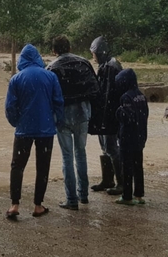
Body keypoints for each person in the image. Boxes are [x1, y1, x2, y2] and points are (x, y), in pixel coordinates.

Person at [5, 44, 64, 219]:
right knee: (42, 167)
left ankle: (14, 204)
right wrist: (55, 122)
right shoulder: (51, 77)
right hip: (45, 131)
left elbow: (10, 107)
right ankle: (38, 205)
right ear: (38, 58)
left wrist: (17, 122)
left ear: (22, 59)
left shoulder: (16, 79)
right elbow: (59, 103)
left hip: (24, 131)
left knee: (18, 166)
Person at [47, 35, 101, 210]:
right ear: (69, 47)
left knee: (67, 157)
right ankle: (83, 195)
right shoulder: (83, 63)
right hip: (83, 114)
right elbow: (95, 89)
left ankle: (71, 199)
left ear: (54, 51)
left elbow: (49, 96)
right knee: (81, 153)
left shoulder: (51, 68)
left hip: (62, 117)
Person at [88, 36, 123, 196]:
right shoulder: (108, 65)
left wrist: (104, 118)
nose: (93, 56)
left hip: (109, 116)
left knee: (111, 148)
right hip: (107, 115)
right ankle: (108, 180)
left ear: (99, 52)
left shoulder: (111, 67)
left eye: (94, 53)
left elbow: (108, 96)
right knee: (105, 148)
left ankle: (121, 183)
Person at [113, 68, 148, 205]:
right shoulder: (141, 96)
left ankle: (127, 196)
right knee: (138, 167)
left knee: (126, 167)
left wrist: (118, 112)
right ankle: (139, 195)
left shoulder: (125, 97)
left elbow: (127, 118)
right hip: (140, 137)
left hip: (127, 139)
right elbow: (144, 116)